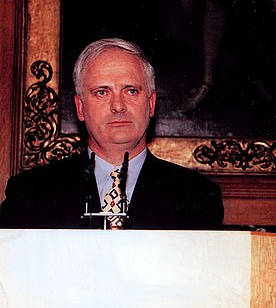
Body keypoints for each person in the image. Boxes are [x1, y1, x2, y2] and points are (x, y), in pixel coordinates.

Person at [0, 38, 224, 229]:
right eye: (101, 92)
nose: (118, 105)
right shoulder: (30, 195)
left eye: (131, 91)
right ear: (80, 108)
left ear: (151, 103)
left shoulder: (198, 197)